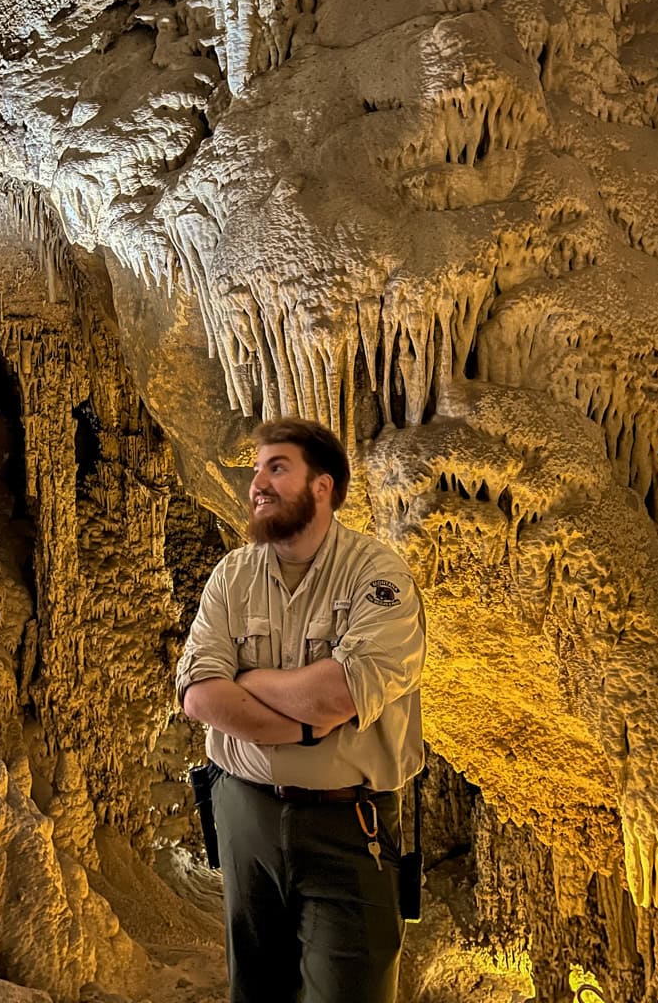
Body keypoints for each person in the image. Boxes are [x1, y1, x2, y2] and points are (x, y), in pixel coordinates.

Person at [175, 417, 427, 1003]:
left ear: (323, 486)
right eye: (257, 468)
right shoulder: (233, 576)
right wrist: (304, 722)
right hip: (242, 814)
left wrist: (248, 680)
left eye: (277, 467)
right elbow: (197, 694)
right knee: (255, 988)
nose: (256, 482)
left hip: (349, 825)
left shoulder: (377, 577)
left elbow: (341, 693)